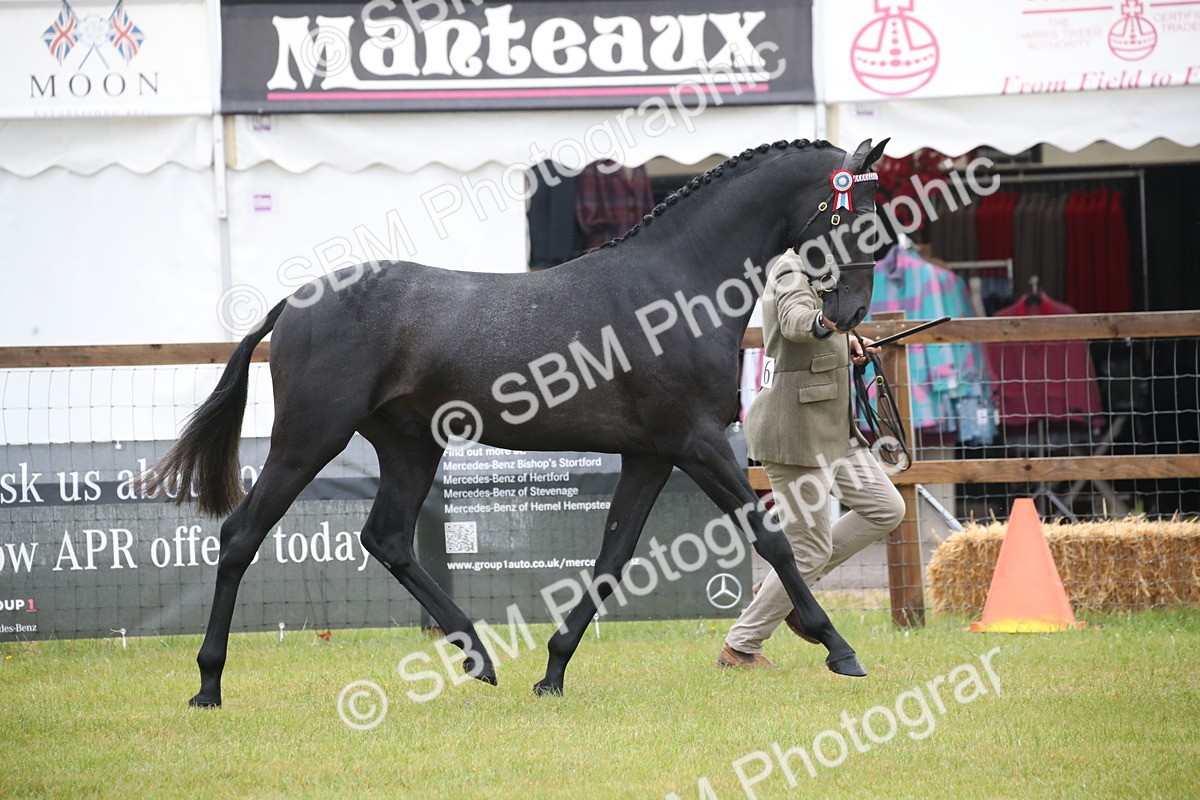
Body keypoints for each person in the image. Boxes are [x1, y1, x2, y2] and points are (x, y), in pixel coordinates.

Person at [718, 254, 906, 668]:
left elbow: (822, 332)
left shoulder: (826, 264)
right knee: (809, 550)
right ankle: (741, 645)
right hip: (796, 431)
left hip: (835, 430)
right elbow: (795, 321)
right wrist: (829, 324)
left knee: (886, 509)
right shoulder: (790, 268)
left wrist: (850, 343)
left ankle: (784, 588)